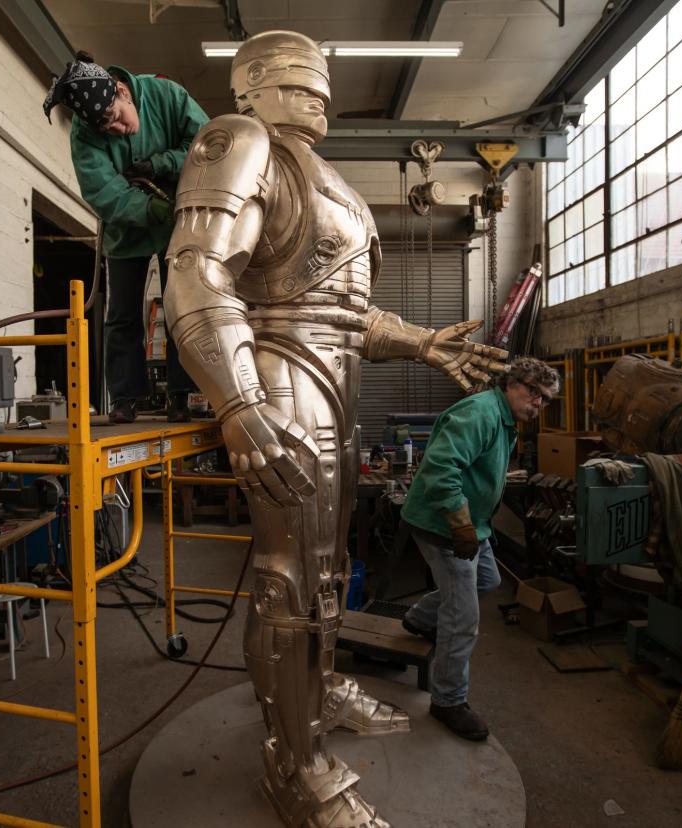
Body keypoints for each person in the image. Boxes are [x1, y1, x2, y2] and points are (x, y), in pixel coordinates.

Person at [162, 30, 509, 827]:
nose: (315, 90)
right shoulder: (239, 141)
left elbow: (345, 313)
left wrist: (418, 340)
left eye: (320, 80)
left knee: (326, 571)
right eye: (292, 78)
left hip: (336, 388)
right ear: (249, 87)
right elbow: (195, 270)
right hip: (281, 379)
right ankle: (296, 763)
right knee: (290, 574)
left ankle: (311, 696)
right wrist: (240, 400)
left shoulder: (333, 181)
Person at [400, 356, 560, 741]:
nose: (538, 402)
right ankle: (448, 701)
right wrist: (460, 525)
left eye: (546, 398)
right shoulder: (482, 413)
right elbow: (441, 470)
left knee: (486, 580)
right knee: (463, 617)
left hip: (475, 525)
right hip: (442, 525)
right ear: (511, 384)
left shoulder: (505, 420)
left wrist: (474, 525)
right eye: (533, 392)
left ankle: (420, 619)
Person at [43, 51, 208, 422]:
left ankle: (181, 395)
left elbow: (208, 144)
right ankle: (125, 398)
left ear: (123, 91)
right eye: (106, 128)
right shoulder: (86, 135)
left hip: (178, 220)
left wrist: (162, 163)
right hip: (126, 228)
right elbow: (105, 192)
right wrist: (149, 209)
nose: (116, 129)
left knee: (182, 307)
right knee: (121, 314)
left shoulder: (168, 95)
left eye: (116, 117)